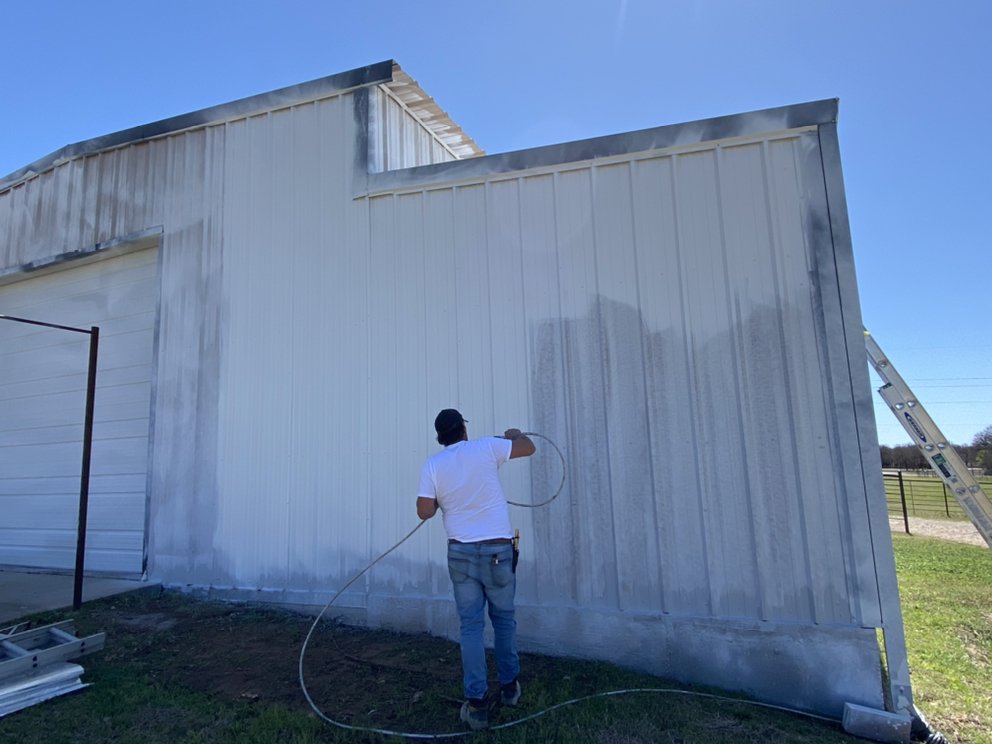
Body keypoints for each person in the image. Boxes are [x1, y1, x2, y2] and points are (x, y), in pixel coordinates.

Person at [416, 408, 536, 731]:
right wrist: (514, 434)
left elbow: (424, 511)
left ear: (441, 438)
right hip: (498, 551)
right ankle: (510, 689)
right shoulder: (486, 447)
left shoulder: (433, 465)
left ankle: (478, 706)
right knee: (503, 620)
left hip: (461, 554)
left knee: (470, 627)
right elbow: (529, 448)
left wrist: (443, 497)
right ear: (464, 430)